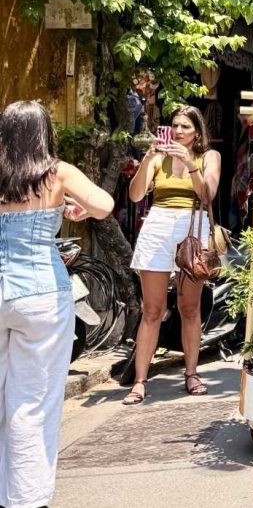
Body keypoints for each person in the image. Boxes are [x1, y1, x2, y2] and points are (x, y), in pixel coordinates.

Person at [0, 101, 114, 508]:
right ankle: (25, 499)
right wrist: (68, 205)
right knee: (33, 400)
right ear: (43, 132)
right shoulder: (57, 173)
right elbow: (104, 205)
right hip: (42, 295)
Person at [124, 105, 221, 404]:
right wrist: (148, 160)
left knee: (189, 307)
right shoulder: (158, 158)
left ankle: (191, 372)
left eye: (185, 128)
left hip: (192, 228)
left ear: (197, 133)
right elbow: (136, 195)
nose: (178, 132)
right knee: (152, 309)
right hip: (158, 225)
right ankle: (140, 381)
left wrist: (189, 164)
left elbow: (207, 195)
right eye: (174, 126)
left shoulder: (208, 157)